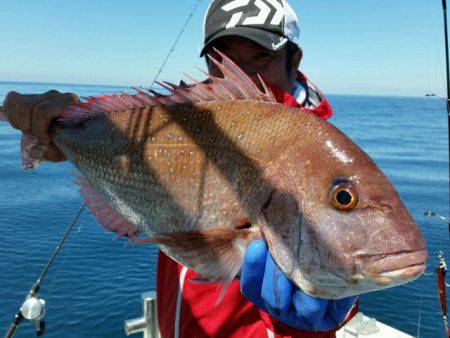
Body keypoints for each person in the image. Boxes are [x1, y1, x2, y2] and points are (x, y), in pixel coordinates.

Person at [2, 1, 358, 337]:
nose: (239, 75)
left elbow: (351, 267)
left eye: (261, 57)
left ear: (293, 59)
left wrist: (310, 325)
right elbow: (142, 159)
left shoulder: (321, 162)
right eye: (222, 60)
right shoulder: (189, 124)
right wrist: (61, 127)